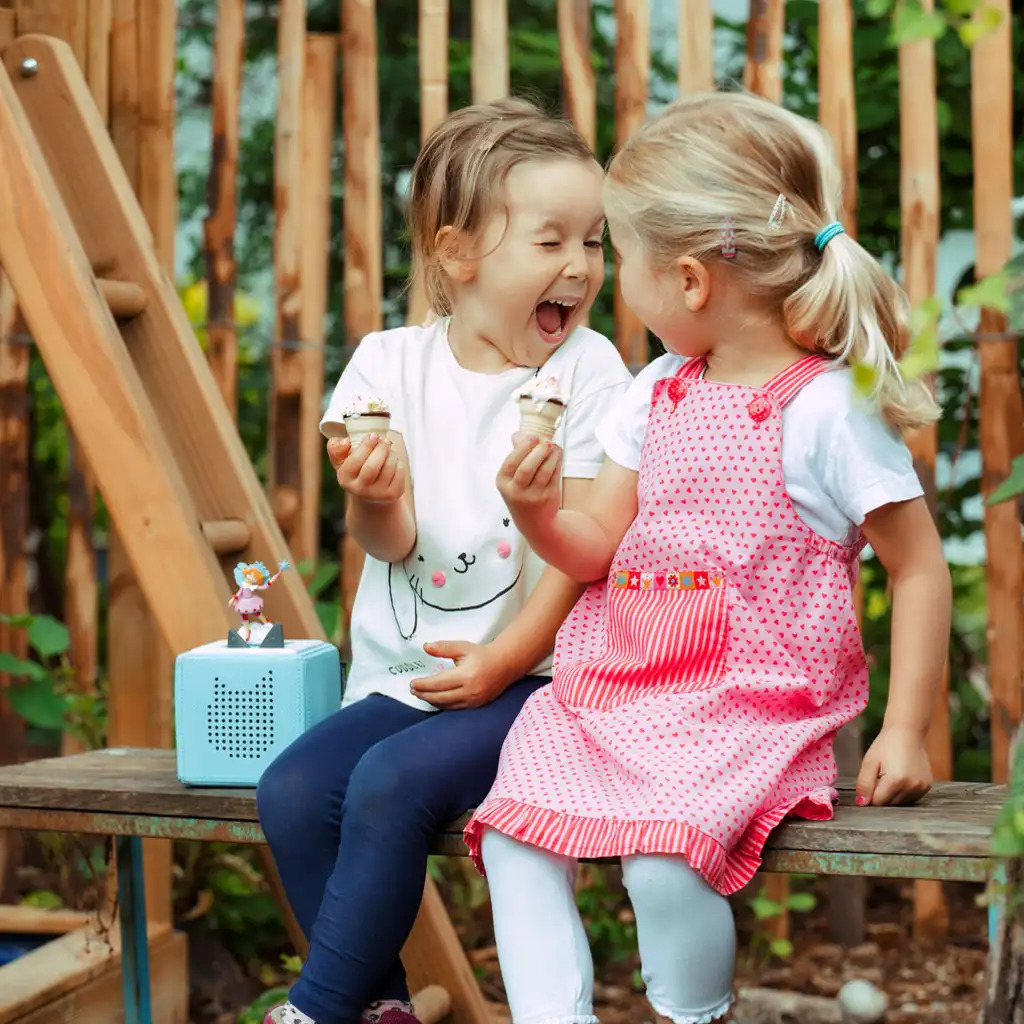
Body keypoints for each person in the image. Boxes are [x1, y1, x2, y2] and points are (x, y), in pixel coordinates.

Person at [465, 91, 952, 1024]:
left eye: (621, 258)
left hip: (747, 710)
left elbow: (919, 565)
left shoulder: (825, 411)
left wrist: (905, 731)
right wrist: (537, 516)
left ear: (688, 281)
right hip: (615, 692)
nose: (614, 287)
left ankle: (694, 1014)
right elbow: (597, 544)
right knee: (517, 837)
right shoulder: (656, 393)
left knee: (662, 855)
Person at [256, 97, 633, 1024]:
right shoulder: (387, 366)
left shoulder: (590, 374)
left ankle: (313, 1013)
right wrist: (375, 495)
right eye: (551, 243)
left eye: (594, 242)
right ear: (459, 253)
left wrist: (505, 659)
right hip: (406, 677)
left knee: (390, 784)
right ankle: (376, 1008)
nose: (581, 267)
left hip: (538, 682)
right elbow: (386, 544)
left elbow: (584, 555)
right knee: (294, 790)